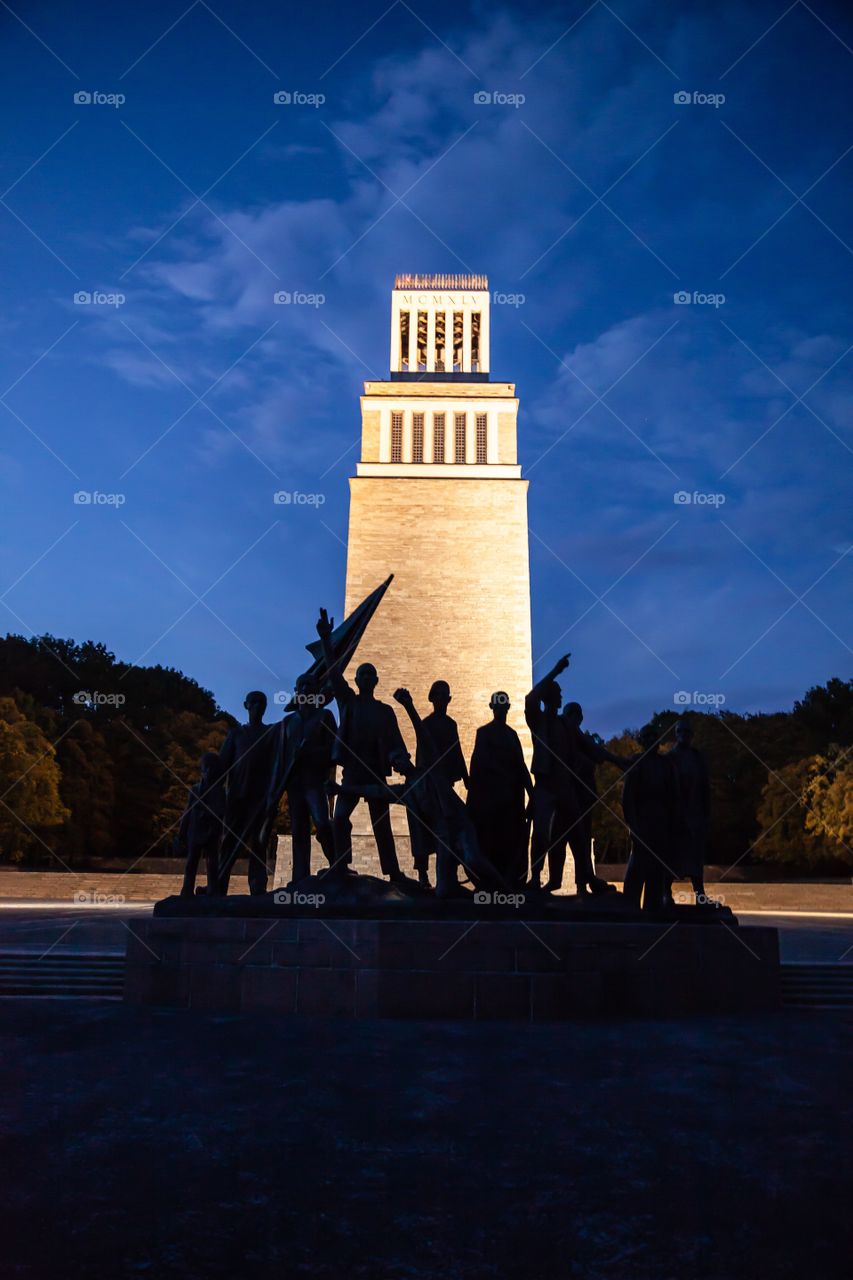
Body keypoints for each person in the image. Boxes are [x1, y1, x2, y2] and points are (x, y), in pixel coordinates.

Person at [329, 687, 503, 898]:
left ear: (408, 757)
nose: (397, 763)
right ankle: (470, 893)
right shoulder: (406, 790)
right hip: (443, 838)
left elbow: (424, 736)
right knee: (444, 891)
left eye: (400, 758)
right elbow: (376, 791)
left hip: (458, 826)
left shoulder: (431, 769)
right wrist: (340, 788)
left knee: (475, 860)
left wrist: (409, 706)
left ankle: (507, 893)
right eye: (394, 762)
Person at [316, 610, 408, 882]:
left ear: (376, 681)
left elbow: (395, 742)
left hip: (376, 771)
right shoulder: (348, 702)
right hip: (354, 771)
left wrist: (403, 763)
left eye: (371, 675)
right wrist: (325, 640)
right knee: (341, 818)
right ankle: (341, 865)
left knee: (382, 824)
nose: (367, 679)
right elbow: (333, 673)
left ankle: (393, 873)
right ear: (356, 682)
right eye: (362, 675)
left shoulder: (385, 711)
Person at [264, 668, 337, 883]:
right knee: (299, 829)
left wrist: (312, 753)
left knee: (322, 823)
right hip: (294, 782)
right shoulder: (288, 722)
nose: (306, 688)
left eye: (310, 685)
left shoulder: (325, 716)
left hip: (315, 781)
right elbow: (280, 759)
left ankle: (337, 865)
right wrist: (274, 792)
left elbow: (336, 750)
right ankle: (299, 875)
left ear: (316, 690)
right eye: (302, 685)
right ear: (296, 691)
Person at [524, 654, 579, 890]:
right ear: (549, 697)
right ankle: (535, 877)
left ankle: (563, 880)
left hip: (564, 785)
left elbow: (587, 746)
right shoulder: (538, 721)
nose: (561, 697)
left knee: (572, 833)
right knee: (541, 834)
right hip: (545, 785)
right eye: (558, 694)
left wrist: (616, 759)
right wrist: (556, 670)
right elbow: (530, 697)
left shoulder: (564, 724)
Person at [467, 692, 532, 886]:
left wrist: (532, 794)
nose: (501, 710)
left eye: (504, 706)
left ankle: (509, 881)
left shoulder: (512, 735)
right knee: (490, 841)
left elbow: (521, 766)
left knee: (510, 843)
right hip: (492, 801)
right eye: (498, 706)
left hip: (512, 800)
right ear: (492, 708)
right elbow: (478, 765)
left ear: (507, 708)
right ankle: (491, 882)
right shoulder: (484, 733)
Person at [556, 702, 622, 896]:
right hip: (567, 798)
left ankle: (582, 884)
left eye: (576, 716)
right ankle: (555, 881)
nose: (574, 720)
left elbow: (598, 753)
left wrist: (617, 761)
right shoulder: (565, 741)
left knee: (582, 842)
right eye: (571, 716)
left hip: (582, 799)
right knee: (562, 841)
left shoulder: (582, 739)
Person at [216, 691, 277, 895]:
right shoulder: (236, 734)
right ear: (246, 705)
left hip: (261, 799)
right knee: (229, 842)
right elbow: (222, 765)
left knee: (259, 845)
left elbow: (276, 765)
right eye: (254, 702)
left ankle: (258, 887)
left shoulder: (270, 734)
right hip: (237, 796)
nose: (258, 706)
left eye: (262, 702)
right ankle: (219, 884)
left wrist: (272, 795)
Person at [410, 679, 469, 887]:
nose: (442, 699)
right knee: (422, 827)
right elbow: (422, 753)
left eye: (445, 695)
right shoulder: (426, 724)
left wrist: (466, 777)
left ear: (449, 699)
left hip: (446, 784)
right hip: (429, 784)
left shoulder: (451, 724)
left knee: (450, 827)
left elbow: (457, 751)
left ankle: (448, 875)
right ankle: (423, 874)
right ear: (432, 698)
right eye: (438, 694)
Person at [622, 724, 678, 912]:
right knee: (637, 866)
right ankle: (630, 907)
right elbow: (627, 799)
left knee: (657, 869)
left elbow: (673, 795)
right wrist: (632, 825)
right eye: (647, 737)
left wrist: (672, 822)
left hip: (661, 821)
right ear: (642, 741)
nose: (651, 741)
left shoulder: (665, 764)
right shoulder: (637, 762)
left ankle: (652, 909)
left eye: (654, 737)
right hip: (643, 821)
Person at [670, 714, 711, 904]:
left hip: (696, 814)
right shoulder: (670, 758)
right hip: (676, 816)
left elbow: (705, 788)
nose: (684, 735)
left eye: (687, 732)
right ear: (675, 734)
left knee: (695, 858)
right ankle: (665, 894)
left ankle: (700, 895)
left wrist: (705, 815)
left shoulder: (697, 758)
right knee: (673, 855)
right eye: (680, 731)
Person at [175, 752, 225, 897]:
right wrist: (181, 834)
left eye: (211, 768)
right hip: (195, 831)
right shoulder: (195, 790)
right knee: (191, 861)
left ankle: (212, 889)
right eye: (205, 768)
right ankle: (187, 889)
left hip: (211, 832)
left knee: (212, 863)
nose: (208, 772)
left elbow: (221, 812)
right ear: (202, 770)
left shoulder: (219, 792)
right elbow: (187, 812)